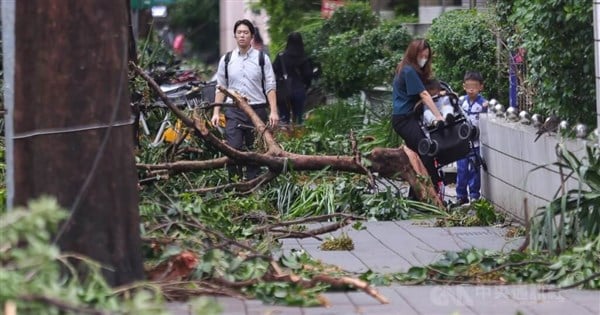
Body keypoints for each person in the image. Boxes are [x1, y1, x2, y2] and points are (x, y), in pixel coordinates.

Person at [210, 19, 279, 181]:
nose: (242, 35)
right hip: (233, 111)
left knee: (254, 150)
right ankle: (235, 184)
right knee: (233, 148)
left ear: (252, 36)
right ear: (235, 35)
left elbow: (270, 85)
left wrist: (274, 111)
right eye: (239, 32)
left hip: (257, 109)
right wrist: (216, 112)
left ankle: (252, 183)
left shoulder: (262, 59)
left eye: (246, 32)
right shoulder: (226, 60)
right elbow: (221, 87)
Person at [391, 38, 445, 190]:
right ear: (414, 54)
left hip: (407, 117)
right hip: (404, 119)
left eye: (426, 57)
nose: (424, 59)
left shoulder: (408, 69)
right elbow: (424, 94)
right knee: (425, 150)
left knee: (418, 156)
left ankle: (417, 195)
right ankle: (432, 189)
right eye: (421, 56)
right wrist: (438, 116)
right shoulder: (408, 70)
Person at [456, 71, 488, 205]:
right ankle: (461, 196)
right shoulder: (460, 102)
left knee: (474, 169)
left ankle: (474, 195)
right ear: (464, 86)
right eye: (468, 86)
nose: (471, 89)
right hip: (462, 143)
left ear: (481, 87)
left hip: (475, 143)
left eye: (474, 86)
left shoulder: (484, 104)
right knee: (461, 169)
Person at [272, 32, 313, 125]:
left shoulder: (281, 56)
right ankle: (297, 136)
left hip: (283, 90)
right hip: (298, 89)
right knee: (298, 118)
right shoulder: (304, 57)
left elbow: (273, 70)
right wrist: (306, 86)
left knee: (284, 118)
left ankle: (284, 135)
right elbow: (308, 74)